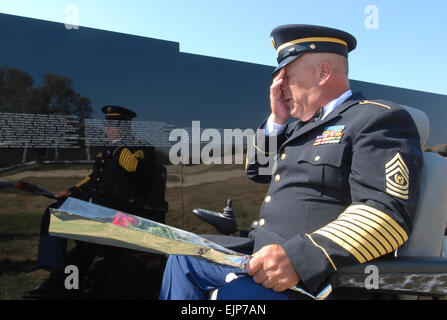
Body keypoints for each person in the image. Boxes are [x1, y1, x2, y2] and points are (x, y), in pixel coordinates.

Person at [158, 24, 423, 300]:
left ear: (323, 73)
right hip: (260, 255)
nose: (277, 86)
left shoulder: (375, 119)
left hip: (314, 280)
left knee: (237, 296)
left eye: (286, 77)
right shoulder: (297, 128)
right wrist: (278, 121)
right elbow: (257, 170)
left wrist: (299, 258)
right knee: (183, 255)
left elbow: (385, 214)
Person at [24, 105, 168, 299]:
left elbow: (134, 167)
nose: (110, 128)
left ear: (126, 127)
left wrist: (118, 144)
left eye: (116, 125)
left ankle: (66, 283)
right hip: (98, 206)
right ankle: (55, 273)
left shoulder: (140, 147)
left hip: (122, 209)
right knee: (55, 210)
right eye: (108, 124)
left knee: (82, 248)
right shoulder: (106, 151)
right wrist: (72, 191)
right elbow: (93, 178)